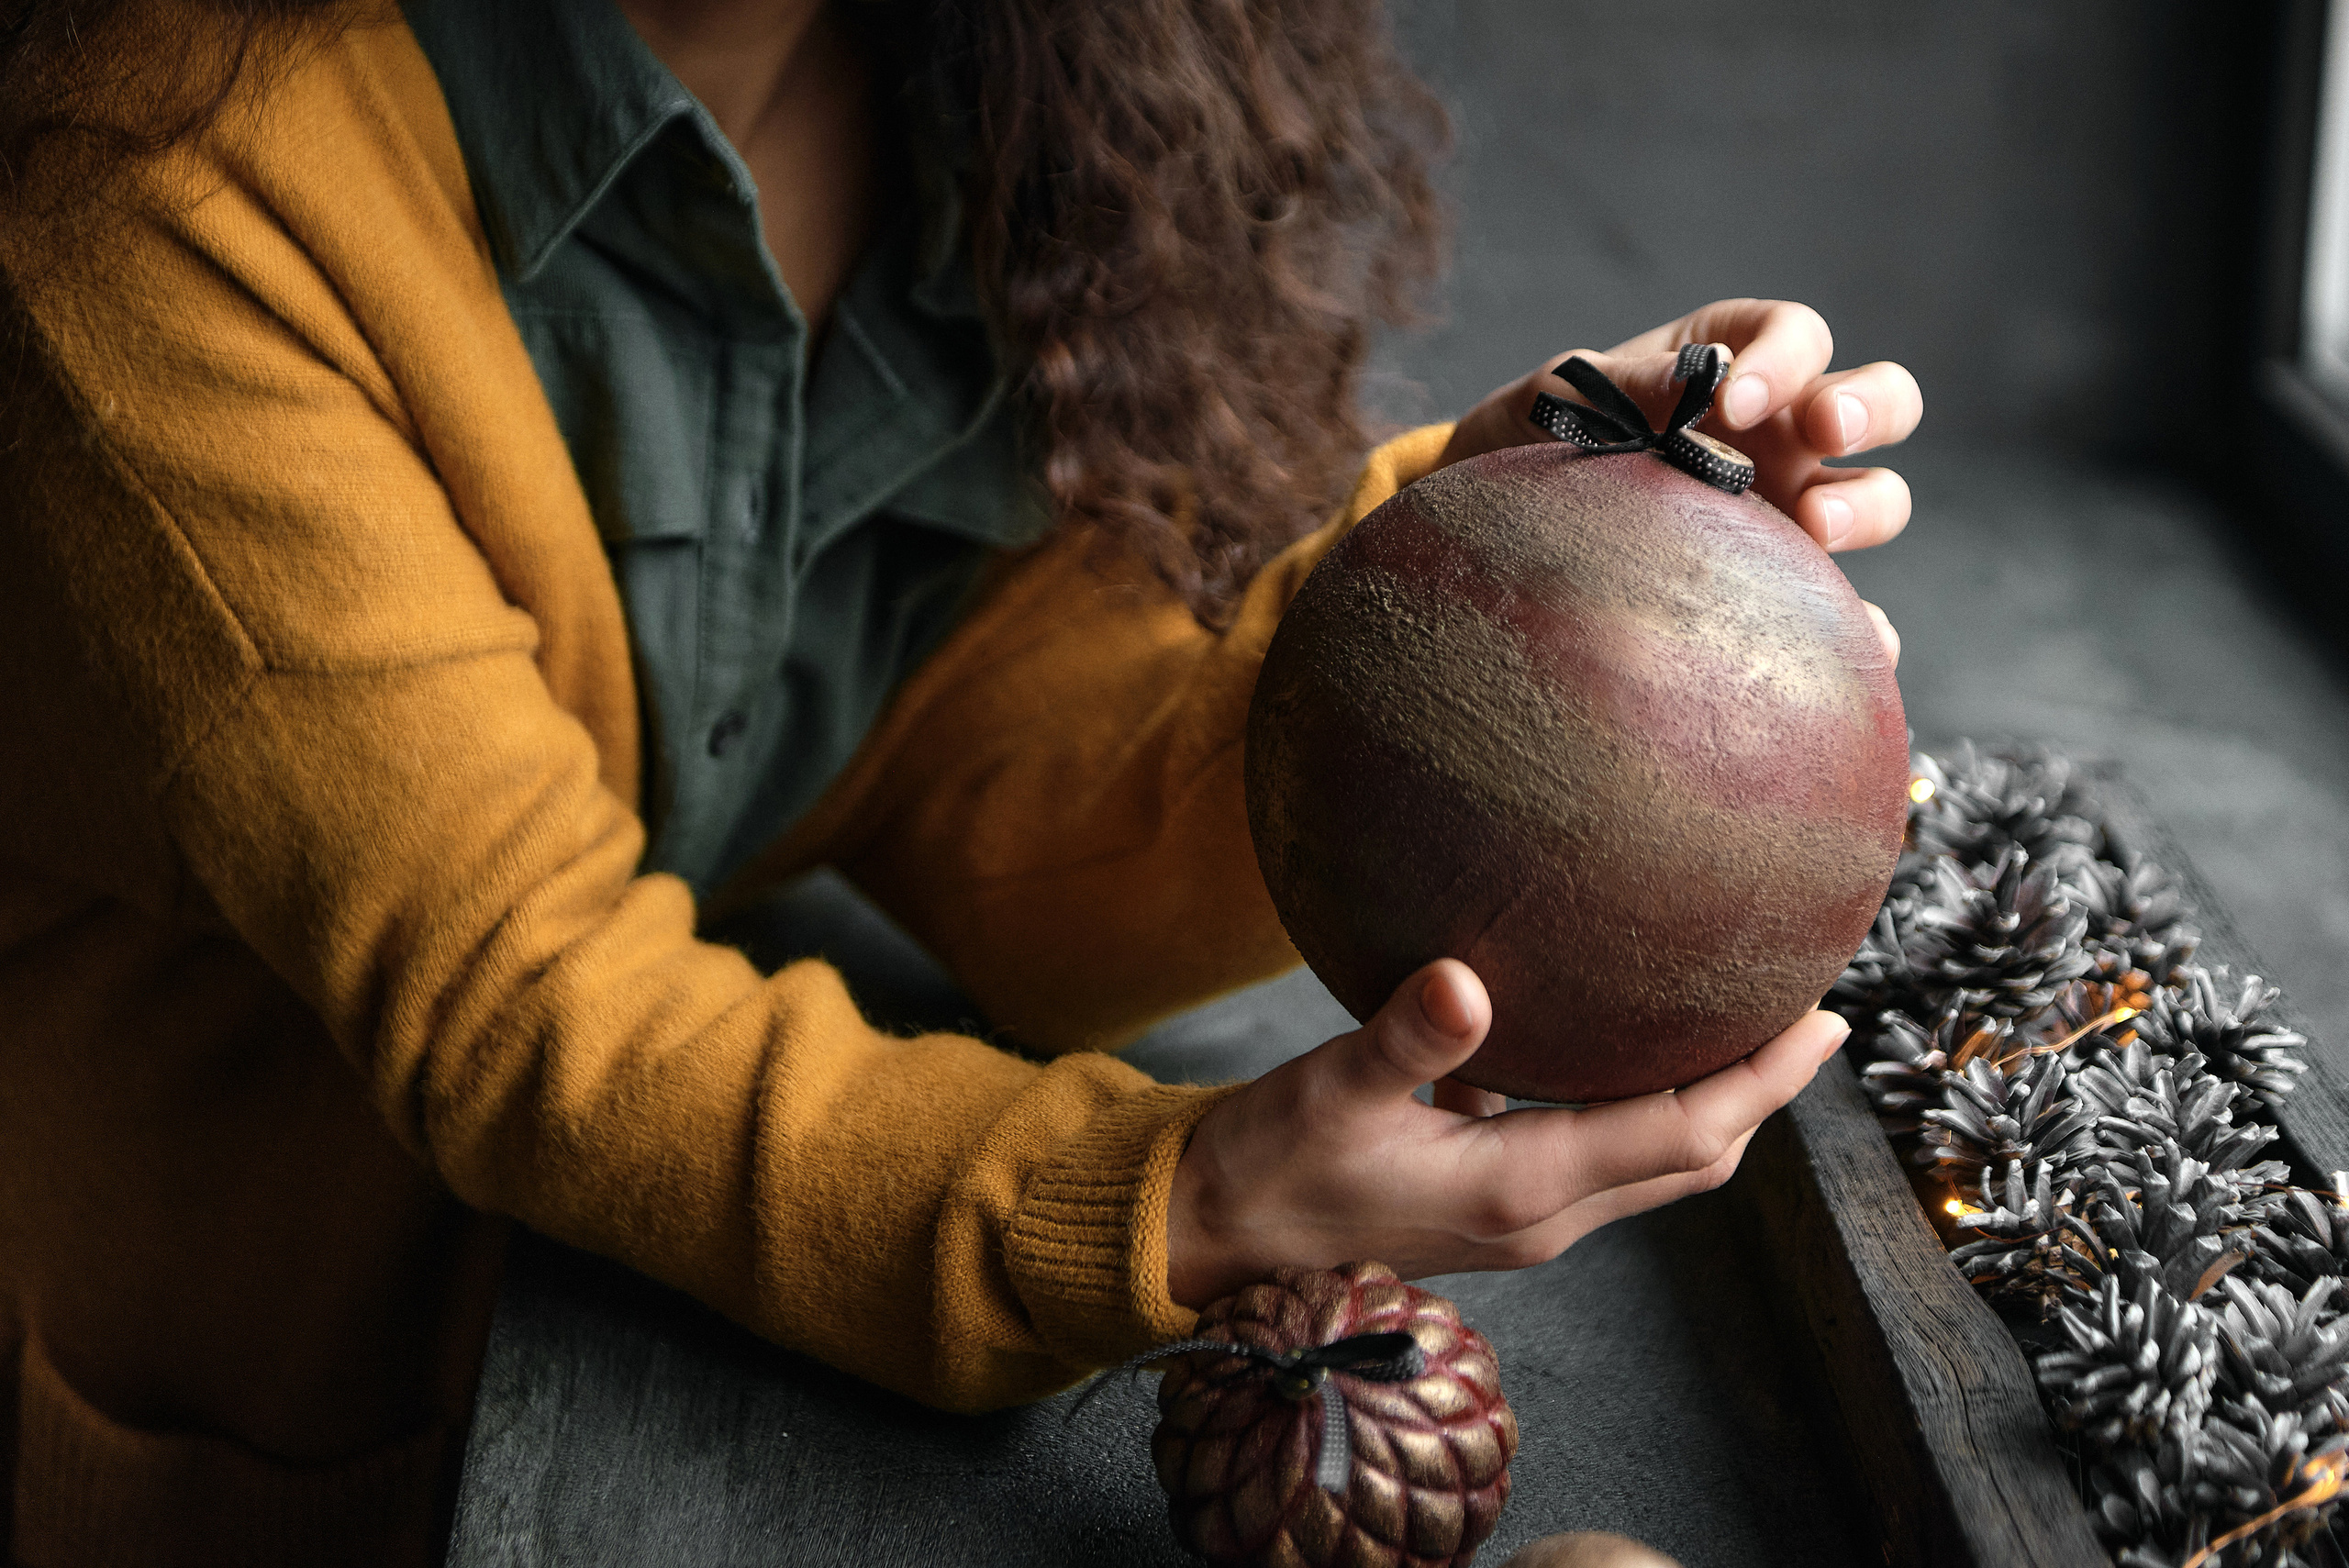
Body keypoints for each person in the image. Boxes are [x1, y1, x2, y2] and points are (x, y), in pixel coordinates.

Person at [0, 0, 1923, 1562]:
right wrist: (1183, 1196)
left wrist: (1458, 611)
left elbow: (1013, 822)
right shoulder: (154, 182)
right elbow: (522, 999)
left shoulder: (993, 75)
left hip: (681, 1351)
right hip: (276, 1397)